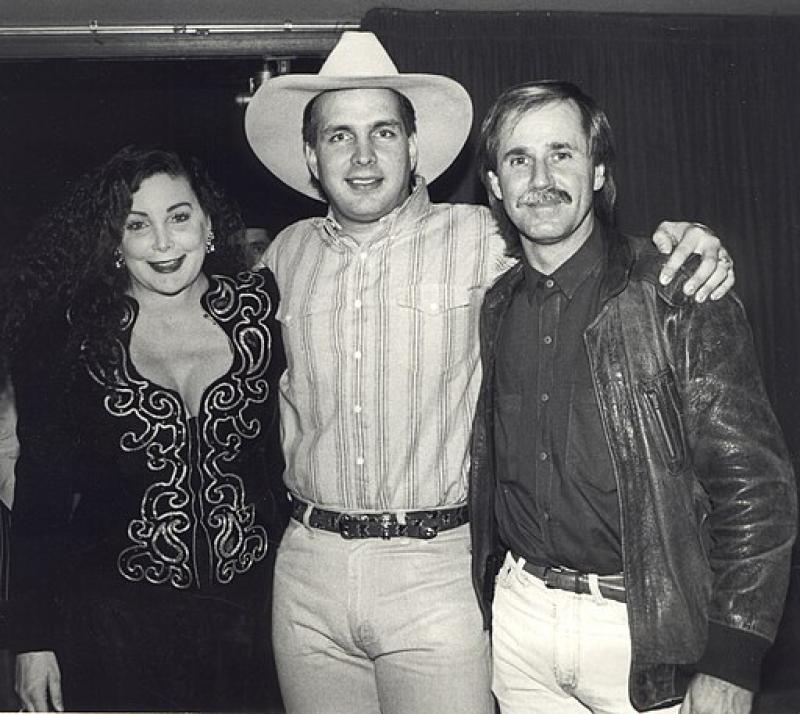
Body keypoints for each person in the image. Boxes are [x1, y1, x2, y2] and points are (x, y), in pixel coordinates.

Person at [244, 31, 734, 714]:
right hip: (306, 571)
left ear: (414, 149)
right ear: (309, 156)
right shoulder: (281, 258)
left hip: (434, 569)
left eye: (384, 132)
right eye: (338, 137)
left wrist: (687, 241)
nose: (362, 157)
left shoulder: (483, 237)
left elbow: (586, 245)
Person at [468, 80, 797, 713]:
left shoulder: (677, 291)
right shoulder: (496, 306)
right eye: (518, 159)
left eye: (561, 153)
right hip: (520, 624)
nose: (540, 177)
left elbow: (757, 490)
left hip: (646, 630)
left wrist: (733, 661)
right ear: (494, 186)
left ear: (596, 172)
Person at [3, 146, 288, 712]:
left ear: (207, 222)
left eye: (178, 217)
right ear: (114, 241)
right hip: (115, 628)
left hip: (257, 623)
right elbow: (42, 495)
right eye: (137, 225)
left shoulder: (265, 311)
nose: (163, 243)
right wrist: (32, 641)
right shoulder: (73, 339)